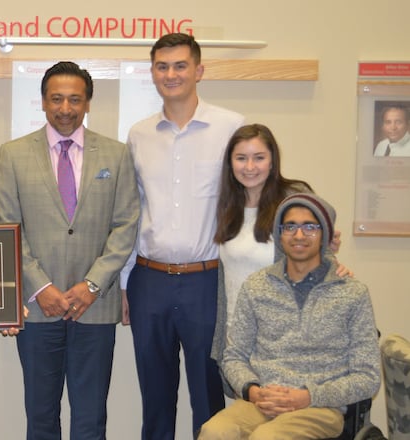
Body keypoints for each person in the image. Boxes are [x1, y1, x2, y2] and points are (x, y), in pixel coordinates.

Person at [0, 61, 139, 439]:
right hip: (38, 308)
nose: (65, 108)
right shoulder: (12, 154)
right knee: (41, 417)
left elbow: (126, 224)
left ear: (87, 103)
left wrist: (92, 285)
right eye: (56, 98)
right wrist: (42, 287)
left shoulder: (116, 154)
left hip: (95, 306)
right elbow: (8, 228)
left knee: (91, 419)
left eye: (75, 99)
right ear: (42, 102)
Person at [121, 32, 245, 439]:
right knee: (154, 396)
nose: (170, 74)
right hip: (149, 280)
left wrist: (322, 230)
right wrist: (124, 285)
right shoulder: (139, 135)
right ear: (152, 73)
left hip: (205, 282)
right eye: (162, 66)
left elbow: (262, 187)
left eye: (180, 66)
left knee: (208, 396)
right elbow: (129, 212)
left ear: (198, 70)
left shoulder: (231, 127)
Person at [198, 193, 381, 439]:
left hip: (319, 406)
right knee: (213, 432)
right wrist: (254, 392)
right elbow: (234, 356)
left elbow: (367, 377)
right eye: (290, 226)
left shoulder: (352, 294)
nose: (298, 235)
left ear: (324, 234)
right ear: (279, 235)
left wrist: (308, 396)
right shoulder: (256, 286)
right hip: (263, 400)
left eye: (309, 227)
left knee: (267, 438)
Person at [210, 124, 349, 386]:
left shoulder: (293, 196)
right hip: (237, 332)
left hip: (281, 338)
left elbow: (322, 229)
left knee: (277, 414)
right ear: (230, 163)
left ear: (273, 161)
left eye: (259, 157)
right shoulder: (229, 205)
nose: (250, 166)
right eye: (241, 158)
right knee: (245, 413)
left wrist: (331, 261)